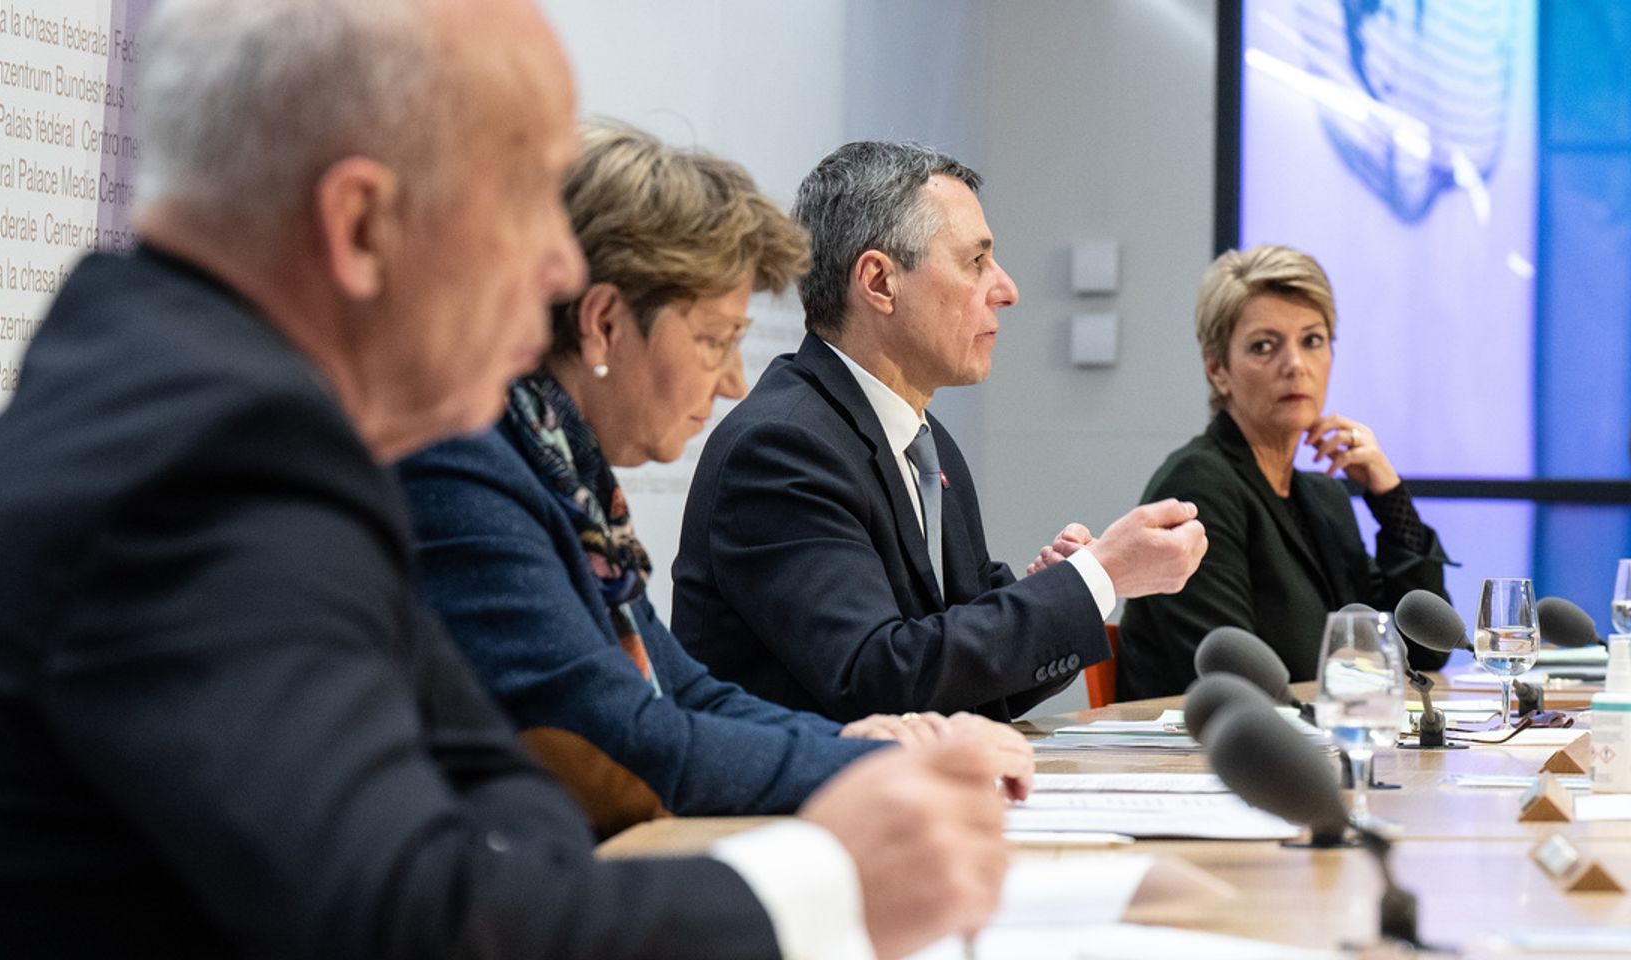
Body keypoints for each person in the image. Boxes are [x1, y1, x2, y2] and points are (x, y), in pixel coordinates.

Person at [0, 3, 1014, 958]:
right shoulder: (206, 465)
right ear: (360, 227)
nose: (557, 269)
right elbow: (406, 922)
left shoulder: (210, 416)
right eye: (524, 198)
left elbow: (496, 790)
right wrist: (823, 886)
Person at [399, 122, 1033, 838]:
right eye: (713, 340)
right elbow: (628, 731)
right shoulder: (467, 469)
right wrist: (870, 767)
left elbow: (683, 689)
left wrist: (868, 744)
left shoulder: (556, 465)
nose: (735, 381)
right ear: (604, 324)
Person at [672, 140, 1207, 722]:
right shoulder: (781, 447)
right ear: (879, 282)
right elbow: (879, 678)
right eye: (975, 262)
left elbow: (961, 681)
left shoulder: (926, 442)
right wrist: (1097, 577)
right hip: (783, 810)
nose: (1006, 289)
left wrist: (1063, 591)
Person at [1111, 245, 1451, 699]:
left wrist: (1388, 496)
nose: (1295, 365)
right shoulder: (1198, 487)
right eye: (1264, 347)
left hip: (1316, 741)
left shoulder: (1323, 498)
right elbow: (1234, 677)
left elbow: (1423, 652)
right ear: (1218, 371)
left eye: (1312, 340)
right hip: (1214, 757)